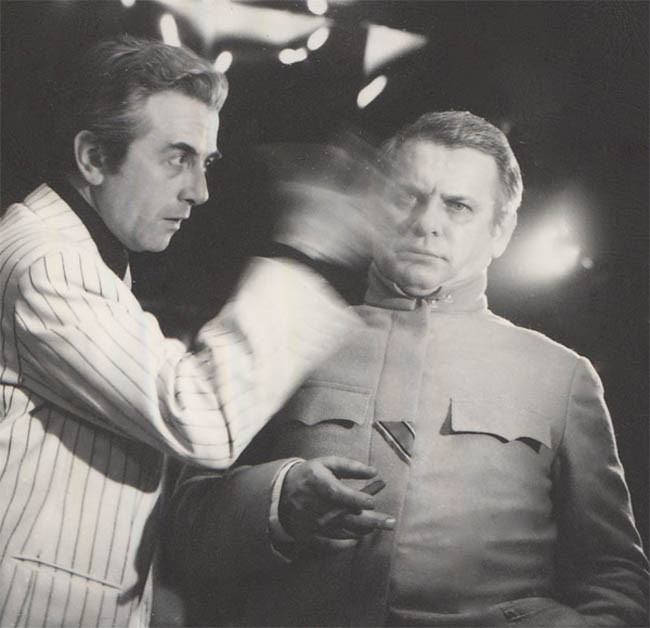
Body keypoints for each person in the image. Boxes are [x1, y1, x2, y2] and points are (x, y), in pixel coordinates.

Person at [169, 111, 649, 627]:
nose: (426, 222)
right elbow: (182, 525)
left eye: (458, 206)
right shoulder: (287, 338)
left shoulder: (560, 376)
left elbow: (614, 575)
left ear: (501, 231)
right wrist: (279, 500)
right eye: (408, 196)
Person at [0, 34, 380, 627]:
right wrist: (308, 249)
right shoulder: (49, 264)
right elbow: (199, 416)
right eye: (177, 157)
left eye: (207, 163)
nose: (199, 191)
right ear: (93, 157)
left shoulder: (79, 257)